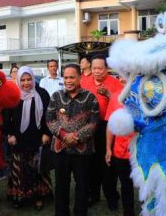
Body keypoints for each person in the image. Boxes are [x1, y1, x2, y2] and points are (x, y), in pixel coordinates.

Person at [46, 64, 100, 216]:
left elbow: (94, 122)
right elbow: (50, 119)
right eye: (66, 77)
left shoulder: (90, 98)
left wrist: (76, 137)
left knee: (82, 187)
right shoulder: (56, 96)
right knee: (61, 186)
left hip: (83, 152)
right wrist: (64, 135)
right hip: (60, 150)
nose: (68, 81)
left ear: (79, 78)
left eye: (72, 77)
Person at [3, 66, 52, 210]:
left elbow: (49, 116)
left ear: (33, 78)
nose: (26, 83)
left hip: (37, 138)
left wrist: (46, 133)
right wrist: (10, 134)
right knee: (20, 170)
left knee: (37, 169)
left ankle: (38, 197)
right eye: (23, 80)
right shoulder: (13, 95)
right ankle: (19, 196)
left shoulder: (42, 94)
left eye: (29, 79)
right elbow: (6, 117)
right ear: (18, 80)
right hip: (19, 139)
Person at [80, 54, 123, 209]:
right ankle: (93, 194)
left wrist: (109, 95)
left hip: (108, 126)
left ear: (106, 69)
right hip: (89, 126)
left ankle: (112, 197)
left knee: (108, 164)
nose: (96, 71)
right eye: (94, 68)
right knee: (91, 163)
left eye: (100, 68)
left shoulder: (115, 83)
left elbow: (122, 106)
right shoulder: (84, 82)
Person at [105, 91, 137, 216]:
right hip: (121, 150)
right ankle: (128, 212)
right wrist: (108, 148)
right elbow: (110, 125)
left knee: (145, 185)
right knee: (126, 185)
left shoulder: (145, 94)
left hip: (141, 150)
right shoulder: (115, 97)